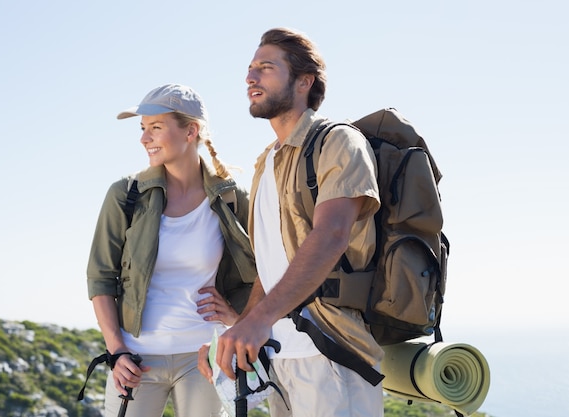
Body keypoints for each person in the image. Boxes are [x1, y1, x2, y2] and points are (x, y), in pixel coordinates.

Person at [199, 28, 385, 417]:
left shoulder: (337, 141)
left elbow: (331, 236)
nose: (251, 78)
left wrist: (260, 320)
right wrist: (235, 334)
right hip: (280, 357)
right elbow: (270, 267)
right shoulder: (266, 162)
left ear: (304, 82)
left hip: (331, 354)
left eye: (265, 68)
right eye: (250, 69)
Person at [86, 83, 256, 417]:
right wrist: (117, 352)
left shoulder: (232, 199)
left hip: (204, 357)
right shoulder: (126, 195)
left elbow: (264, 272)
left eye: (156, 127)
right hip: (136, 360)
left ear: (190, 131)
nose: (144, 138)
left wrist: (237, 319)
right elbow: (100, 278)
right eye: (143, 128)